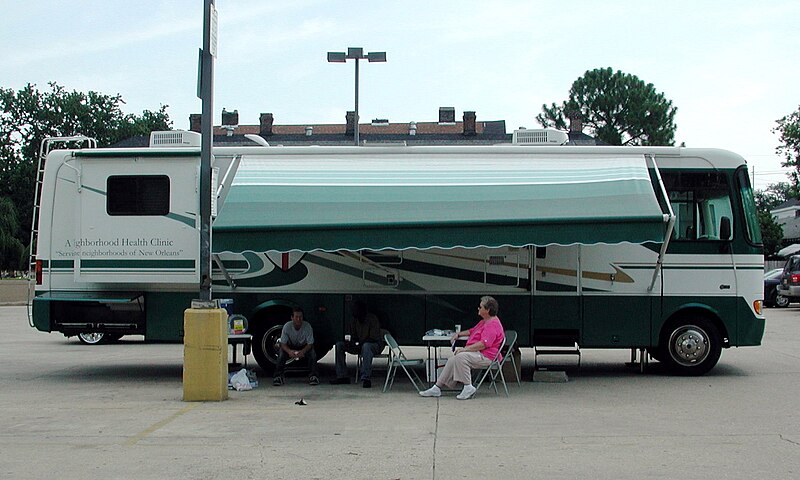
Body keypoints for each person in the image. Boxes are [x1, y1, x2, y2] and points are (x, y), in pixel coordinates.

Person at [420, 296, 505, 400]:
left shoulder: (492, 325)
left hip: (486, 356)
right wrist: (458, 334)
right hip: (478, 353)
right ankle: (437, 387)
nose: (478, 309)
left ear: (487, 310)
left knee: (461, 357)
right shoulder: (484, 321)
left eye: (480, 307)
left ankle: (468, 386)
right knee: (452, 359)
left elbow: (484, 344)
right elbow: (471, 331)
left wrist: (465, 349)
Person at [330, 300, 383, 388]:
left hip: (374, 345)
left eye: (356, 310)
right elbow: (354, 336)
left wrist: (360, 343)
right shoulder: (354, 320)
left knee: (366, 347)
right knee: (339, 345)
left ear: (362, 311)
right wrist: (350, 342)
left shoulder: (372, 319)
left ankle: (366, 378)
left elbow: (373, 338)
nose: (353, 313)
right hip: (360, 345)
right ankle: (342, 376)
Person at [273, 307, 319, 386]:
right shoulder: (287, 326)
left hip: (304, 346)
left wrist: (302, 352)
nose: (298, 319)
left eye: (300, 317)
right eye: (296, 317)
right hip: (290, 345)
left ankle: (313, 376)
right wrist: (289, 351)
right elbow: (283, 343)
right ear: (292, 318)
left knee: (312, 354)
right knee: (281, 354)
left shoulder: (307, 326)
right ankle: (278, 376)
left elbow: (310, 344)